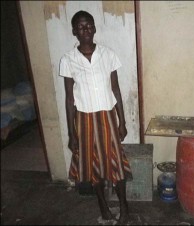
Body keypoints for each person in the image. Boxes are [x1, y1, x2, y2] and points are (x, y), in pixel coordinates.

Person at [59, 10, 132, 224]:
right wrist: (72, 134)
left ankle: (125, 209)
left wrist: (122, 121)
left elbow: (116, 90)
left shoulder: (108, 55)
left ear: (95, 28)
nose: (86, 30)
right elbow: (69, 100)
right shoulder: (68, 60)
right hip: (84, 121)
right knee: (92, 168)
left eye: (89, 25)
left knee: (116, 164)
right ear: (74, 31)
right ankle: (104, 209)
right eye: (81, 27)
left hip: (108, 118)